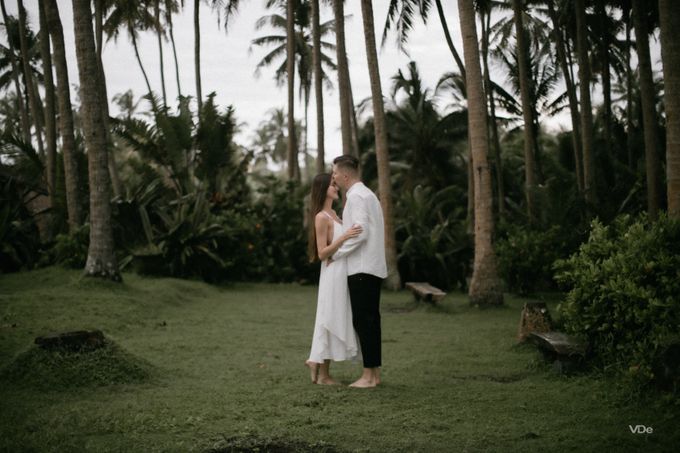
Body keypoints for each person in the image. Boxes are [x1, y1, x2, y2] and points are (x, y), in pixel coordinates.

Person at [331, 155, 387, 388]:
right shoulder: (368, 195)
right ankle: (373, 375)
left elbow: (360, 232)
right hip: (370, 267)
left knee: (364, 321)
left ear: (345, 175)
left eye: (334, 173)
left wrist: (337, 254)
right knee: (370, 321)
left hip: (362, 267)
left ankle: (367, 376)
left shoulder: (356, 196)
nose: (333, 177)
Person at [305, 173, 363, 385]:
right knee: (328, 316)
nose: (336, 187)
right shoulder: (321, 217)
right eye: (332, 185)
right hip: (331, 273)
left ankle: (317, 364)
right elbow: (322, 254)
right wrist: (344, 236)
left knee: (332, 316)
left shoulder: (336, 215)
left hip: (341, 271)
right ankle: (322, 373)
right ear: (323, 189)